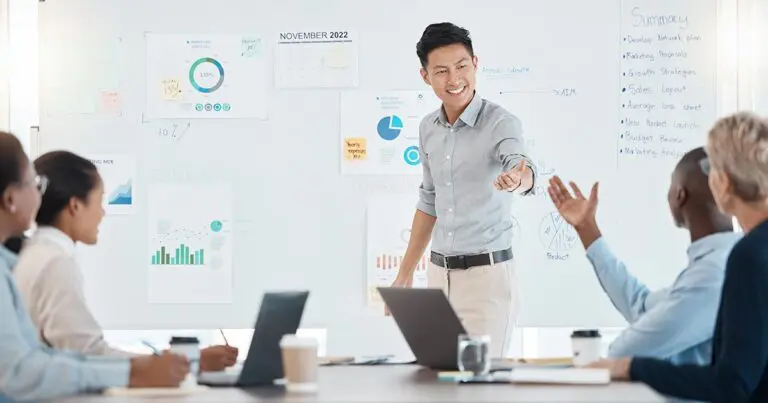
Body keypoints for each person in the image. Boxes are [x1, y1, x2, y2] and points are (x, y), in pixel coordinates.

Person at [591, 112, 768, 402]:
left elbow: (733, 383)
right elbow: (644, 307)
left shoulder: (747, 255)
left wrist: (631, 367)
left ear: (722, 182)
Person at [0, 131, 189, 401]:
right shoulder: (53, 262)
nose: (103, 212)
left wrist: (139, 368)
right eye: (34, 183)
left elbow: (41, 356)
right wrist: (137, 371)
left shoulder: (20, 260)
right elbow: (25, 370)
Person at [12, 150, 238, 372]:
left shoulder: (33, 255)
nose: (102, 213)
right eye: (99, 200)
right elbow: (90, 355)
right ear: (75, 206)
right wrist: (189, 363)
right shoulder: (55, 264)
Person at [388, 22, 537, 357]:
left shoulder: (501, 122)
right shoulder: (428, 128)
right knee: (437, 380)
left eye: (462, 67)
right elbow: (429, 200)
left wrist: (518, 176)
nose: (454, 80)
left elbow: (521, 165)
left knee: (479, 386)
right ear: (426, 76)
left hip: (487, 279)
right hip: (439, 277)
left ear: (476, 64)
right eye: (441, 71)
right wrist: (405, 273)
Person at [547, 147, 740, 364]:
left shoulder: (713, 274)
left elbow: (625, 352)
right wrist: (586, 227)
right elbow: (641, 307)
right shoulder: (721, 262)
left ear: (679, 195)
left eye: (670, 184)